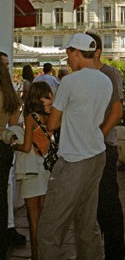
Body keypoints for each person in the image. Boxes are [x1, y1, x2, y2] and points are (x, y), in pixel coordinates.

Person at [37, 33, 112, 260]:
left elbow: (51, 125)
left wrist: (55, 109)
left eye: (69, 52)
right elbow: (83, 111)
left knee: (49, 230)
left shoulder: (70, 81)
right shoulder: (105, 80)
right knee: (87, 223)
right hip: (96, 155)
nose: (67, 58)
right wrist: (62, 109)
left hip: (73, 160)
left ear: (77, 53)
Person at [87, 31, 125, 260]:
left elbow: (116, 111)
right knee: (90, 205)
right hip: (87, 149)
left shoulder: (110, 73)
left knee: (108, 204)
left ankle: (115, 254)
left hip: (104, 147)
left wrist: (98, 136)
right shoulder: (82, 75)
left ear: (97, 52)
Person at [9, 81, 53, 260]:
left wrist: (13, 144)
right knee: (43, 214)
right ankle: (46, 253)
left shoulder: (30, 117)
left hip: (31, 171)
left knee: (33, 217)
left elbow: (27, 147)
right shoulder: (50, 117)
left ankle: (36, 255)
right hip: (45, 169)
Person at [0, 51, 26, 251]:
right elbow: (14, 122)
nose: (8, 68)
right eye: (5, 65)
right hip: (3, 148)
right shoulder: (9, 91)